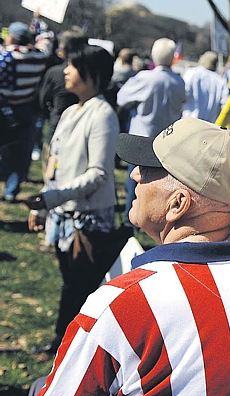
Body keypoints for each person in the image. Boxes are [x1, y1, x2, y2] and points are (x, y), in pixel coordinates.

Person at [26, 118, 230, 396]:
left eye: (151, 169)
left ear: (177, 205)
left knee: (40, 394)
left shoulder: (123, 303)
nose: (135, 174)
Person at [25, 45, 120, 355]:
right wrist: (45, 204)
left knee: (77, 291)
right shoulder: (71, 110)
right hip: (64, 216)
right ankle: (64, 348)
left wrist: (52, 198)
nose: (65, 71)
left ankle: (65, 350)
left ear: (91, 74)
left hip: (87, 221)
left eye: (73, 66)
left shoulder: (103, 115)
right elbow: (56, 159)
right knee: (70, 286)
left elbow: (99, 174)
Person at [116, 38, 185, 226]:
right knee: (157, 183)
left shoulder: (146, 78)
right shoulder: (179, 82)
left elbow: (122, 97)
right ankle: (151, 220)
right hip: (166, 139)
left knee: (135, 181)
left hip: (142, 136)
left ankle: (131, 221)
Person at [0, 22, 49, 201]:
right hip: (26, 108)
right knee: (21, 152)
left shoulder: (8, 57)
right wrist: (38, 25)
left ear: (12, 37)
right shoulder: (38, 57)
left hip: (6, 109)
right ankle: (11, 190)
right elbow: (45, 43)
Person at [38, 29, 88, 174]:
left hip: (57, 124)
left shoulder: (55, 72)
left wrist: (50, 114)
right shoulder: (91, 74)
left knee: (50, 171)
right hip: (82, 128)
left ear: (64, 49)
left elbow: (43, 100)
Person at [182, 50, 230, 123]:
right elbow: (225, 104)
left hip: (189, 122)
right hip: (210, 127)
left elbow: (182, 95)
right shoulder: (220, 81)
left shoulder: (191, 73)